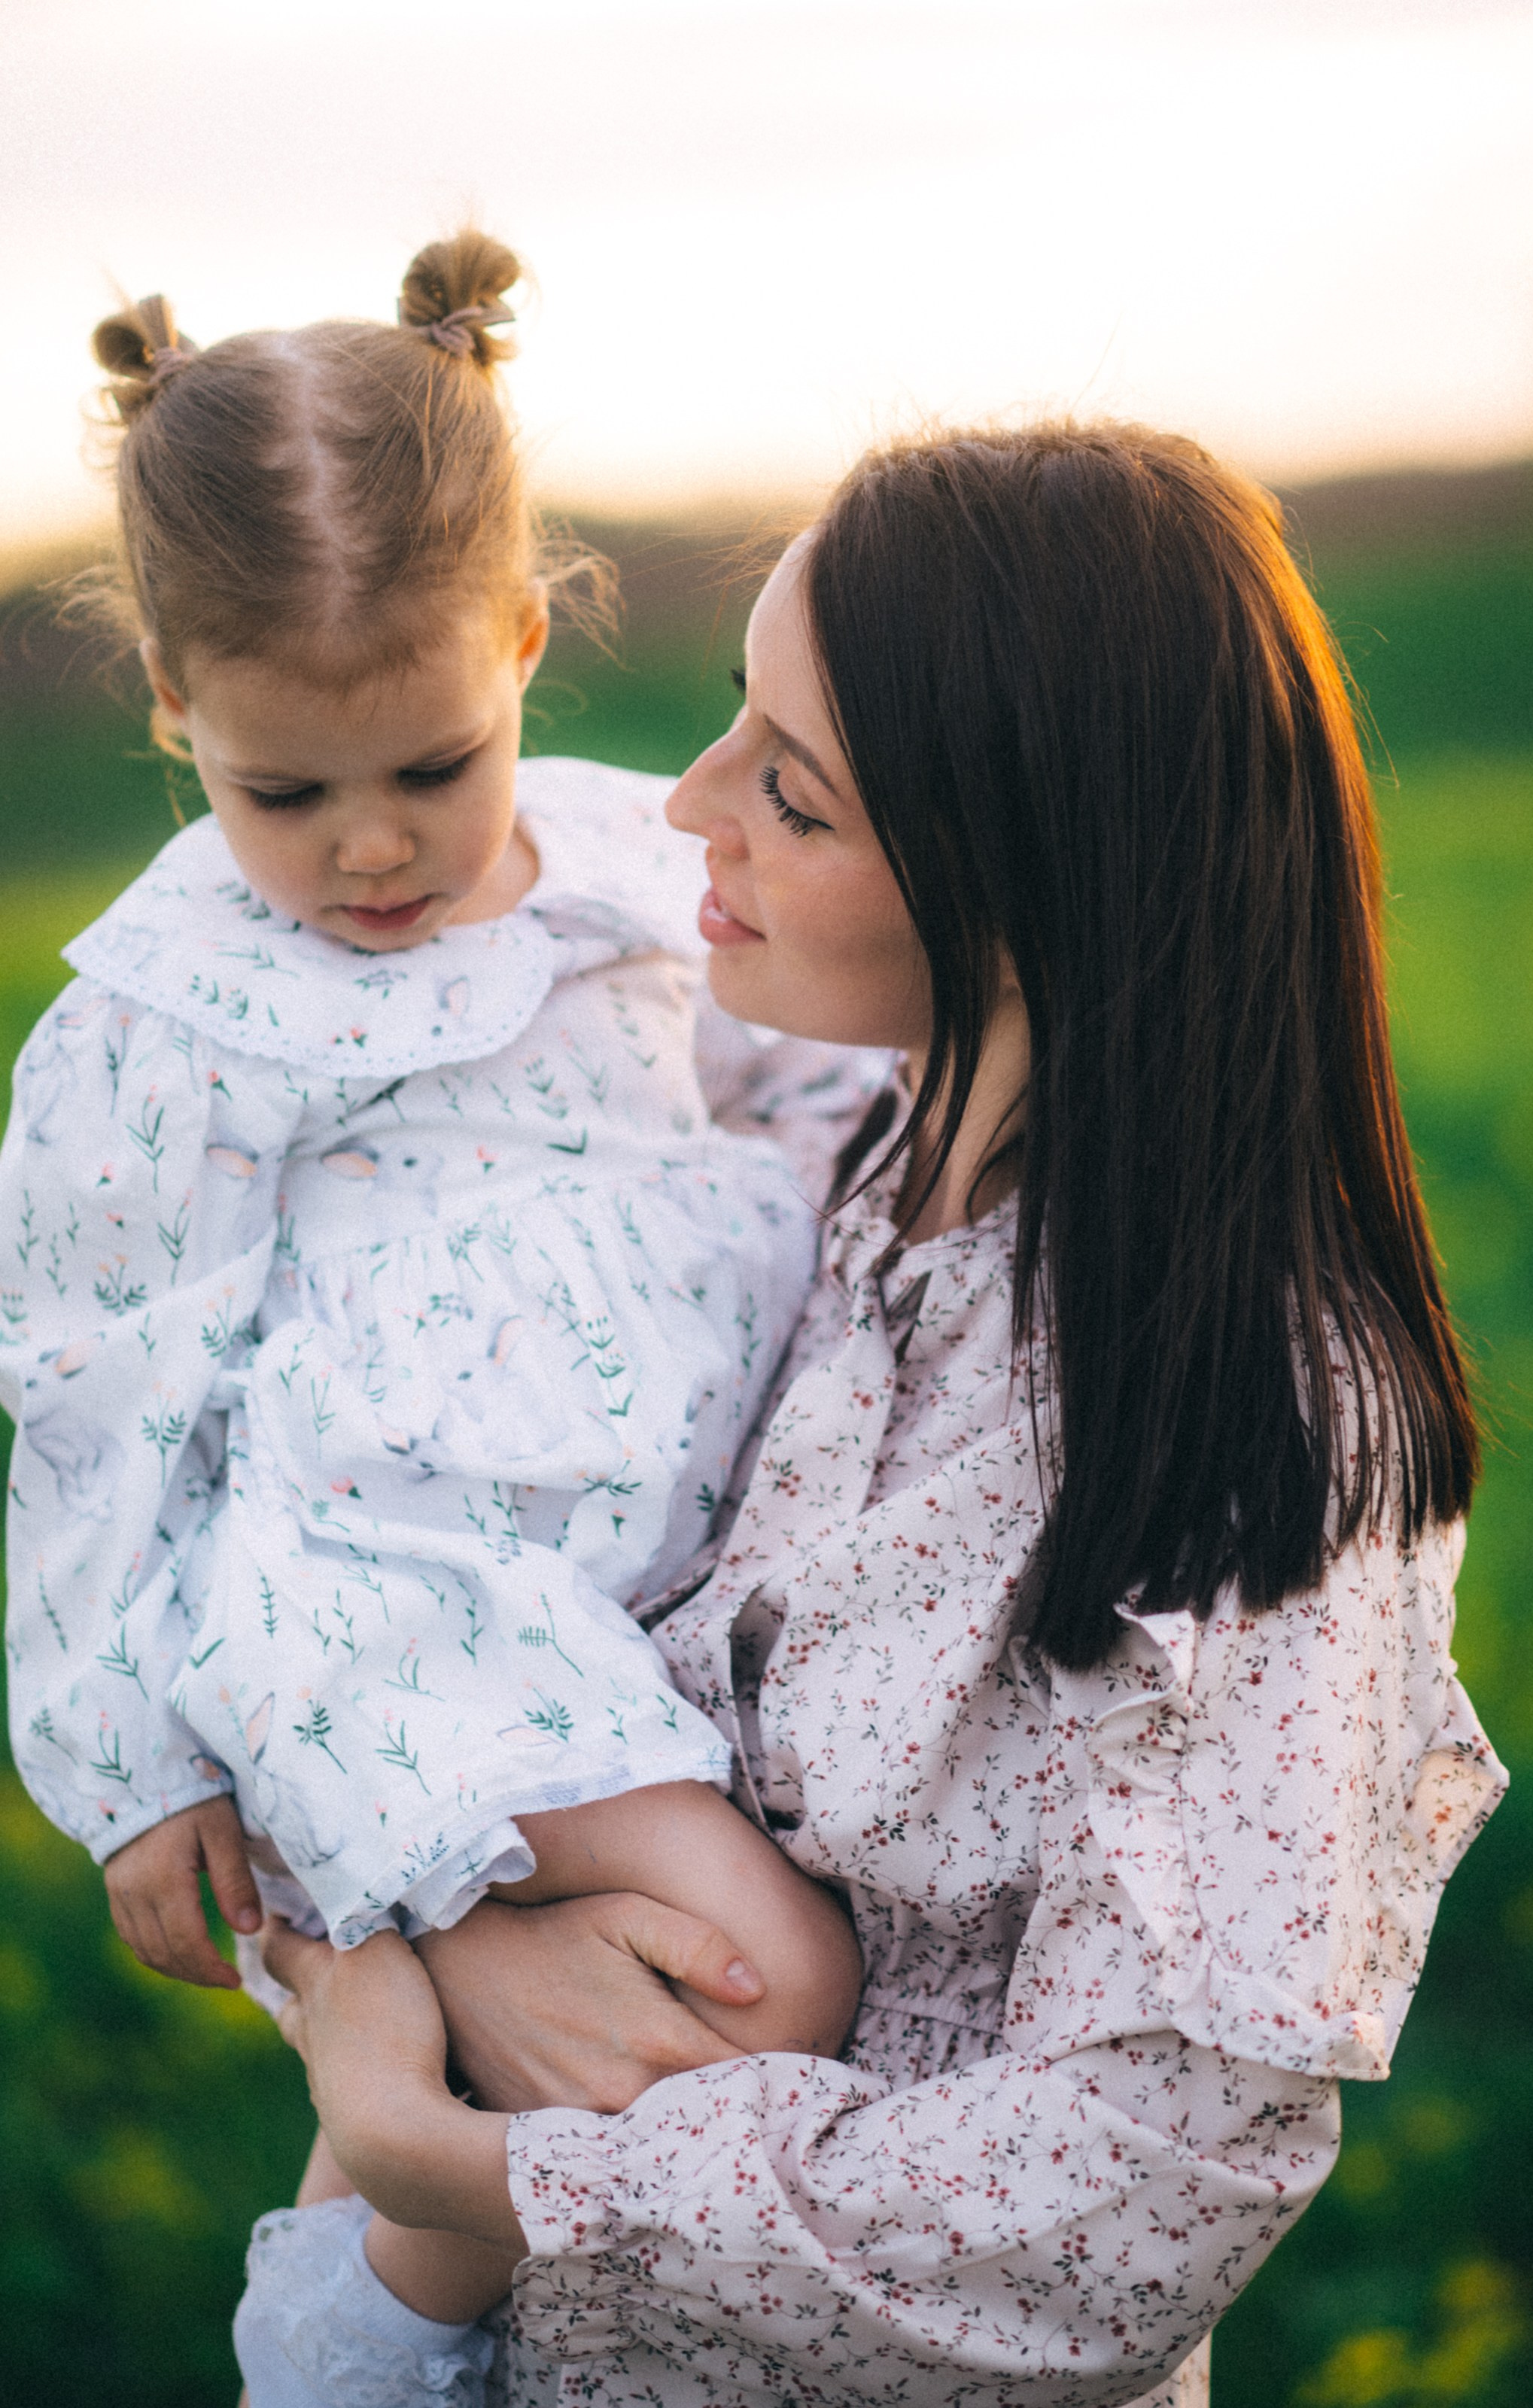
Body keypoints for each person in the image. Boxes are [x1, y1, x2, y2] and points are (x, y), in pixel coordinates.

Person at [257, 418, 1507, 2408]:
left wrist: (476, 2158)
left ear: (1026, 873)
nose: (687, 808)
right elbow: (358, 1560)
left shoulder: (1262, 1414)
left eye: (794, 793)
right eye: (730, 722)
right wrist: (413, 1961)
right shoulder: (777, 1162)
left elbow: (1138, 2196)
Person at [0, 234, 868, 2406]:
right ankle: (355, 2315)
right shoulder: (170, 1017)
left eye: (428, 764)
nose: (370, 853)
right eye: (279, 793)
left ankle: (383, 2164)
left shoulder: (621, 870)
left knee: (655, 1991)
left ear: (518, 638)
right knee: (766, 1981)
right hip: (397, 1598)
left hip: (619, 1590)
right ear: (177, 714)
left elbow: (786, 1076)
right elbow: (96, 1392)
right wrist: (127, 1771)